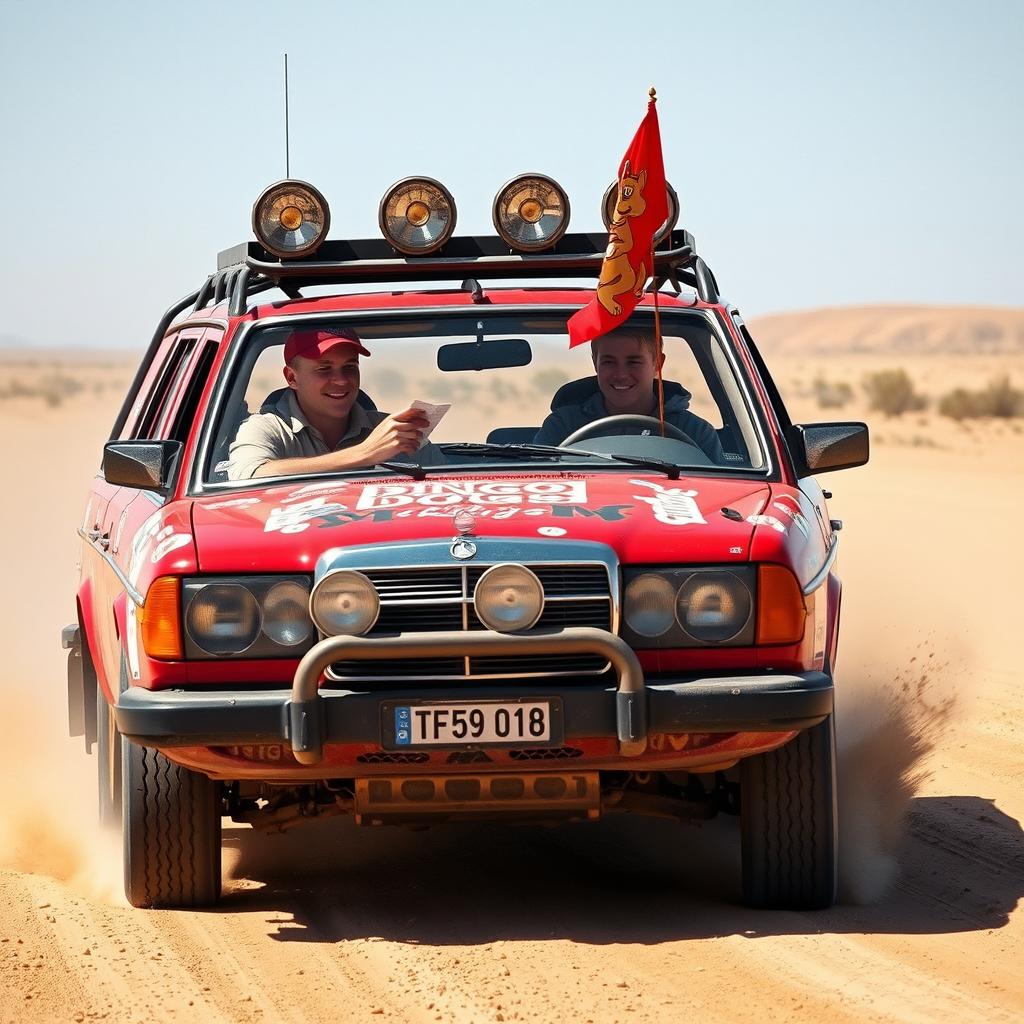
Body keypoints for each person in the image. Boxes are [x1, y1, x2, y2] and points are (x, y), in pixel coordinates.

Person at [228, 327, 443, 480]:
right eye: (324, 369)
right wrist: (364, 453)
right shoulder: (267, 428)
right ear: (292, 378)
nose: (341, 380)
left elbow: (451, 482)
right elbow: (249, 475)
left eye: (350, 367)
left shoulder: (391, 430)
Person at [533, 329, 725, 463]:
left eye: (633, 362)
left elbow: (718, 499)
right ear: (595, 363)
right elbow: (537, 486)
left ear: (658, 363)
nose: (621, 374)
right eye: (609, 362)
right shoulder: (562, 426)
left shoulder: (695, 433)